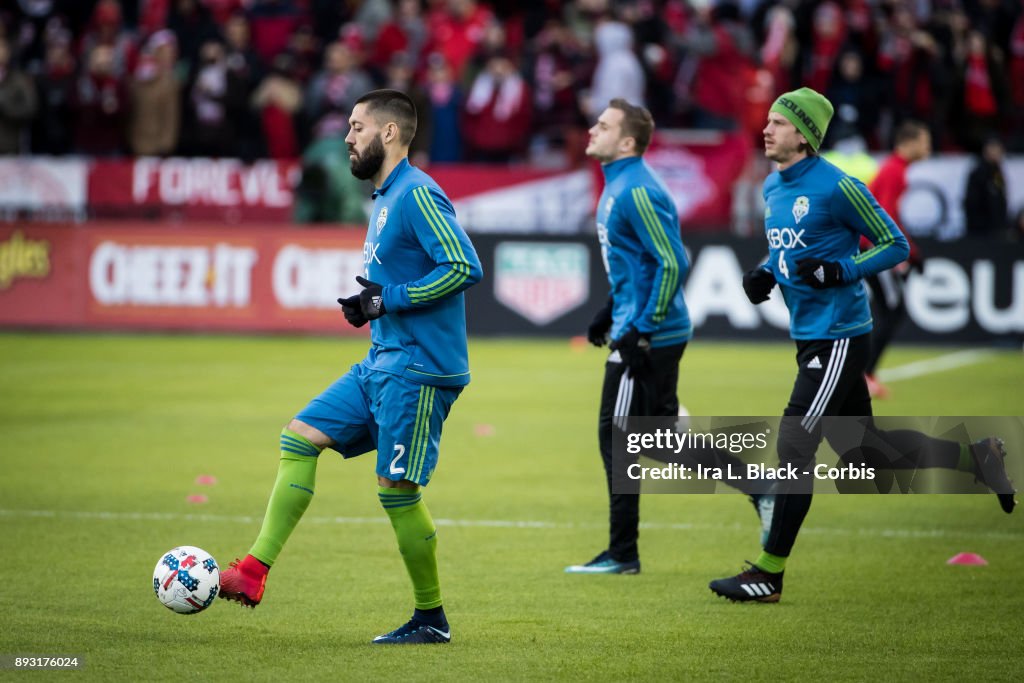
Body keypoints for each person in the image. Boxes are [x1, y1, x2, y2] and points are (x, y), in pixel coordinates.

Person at [712, 87, 1017, 603]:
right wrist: (764, 273)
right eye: (768, 121)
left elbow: (894, 242)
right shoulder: (772, 187)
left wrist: (842, 269)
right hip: (810, 335)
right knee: (867, 453)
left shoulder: (839, 187)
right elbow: (784, 247)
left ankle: (768, 572)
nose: (767, 129)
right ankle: (978, 458)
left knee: (793, 445)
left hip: (839, 335)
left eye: (779, 123)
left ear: (805, 135)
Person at [218, 89, 483, 645]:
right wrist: (372, 306)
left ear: (390, 133)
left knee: (396, 491)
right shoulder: (385, 196)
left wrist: (388, 301)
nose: (347, 135)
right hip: (382, 361)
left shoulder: (416, 193)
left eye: (358, 126)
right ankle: (252, 572)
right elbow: (399, 283)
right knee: (299, 437)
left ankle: (431, 620)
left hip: (419, 371)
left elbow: (463, 266)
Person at [565, 98, 692, 575]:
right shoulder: (619, 185)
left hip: (649, 334)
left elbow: (673, 261)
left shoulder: (635, 189)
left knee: (617, 438)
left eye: (603, 125)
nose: (592, 130)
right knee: (658, 437)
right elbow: (638, 265)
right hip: (640, 326)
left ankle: (623, 554)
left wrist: (641, 328)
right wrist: (608, 312)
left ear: (628, 142)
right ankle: (761, 489)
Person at [863, 120, 931, 398]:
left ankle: (864, 374)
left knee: (887, 310)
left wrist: (910, 252)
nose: (928, 147)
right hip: (873, 250)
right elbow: (886, 217)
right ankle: (864, 375)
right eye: (925, 140)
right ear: (909, 142)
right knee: (892, 310)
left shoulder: (895, 169)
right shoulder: (894, 171)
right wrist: (909, 254)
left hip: (871, 248)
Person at [963, 136, 1009, 239]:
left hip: (996, 229)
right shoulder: (978, 172)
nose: (997, 152)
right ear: (986, 150)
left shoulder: (997, 171)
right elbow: (972, 201)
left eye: (999, 148)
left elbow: (1000, 197)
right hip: (981, 231)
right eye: (993, 148)